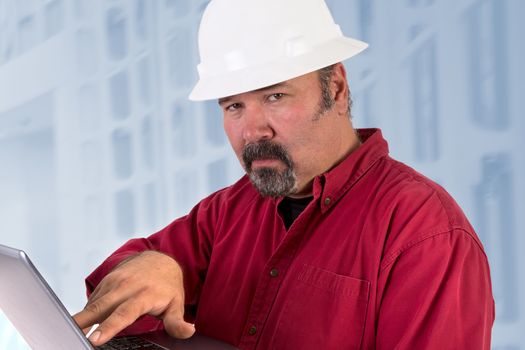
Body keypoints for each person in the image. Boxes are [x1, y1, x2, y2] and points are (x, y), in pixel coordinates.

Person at [73, 0, 495, 349]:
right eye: (233, 106)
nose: (253, 131)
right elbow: (115, 283)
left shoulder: (424, 234)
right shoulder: (229, 211)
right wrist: (153, 264)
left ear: (337, 89)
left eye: (275, 96)